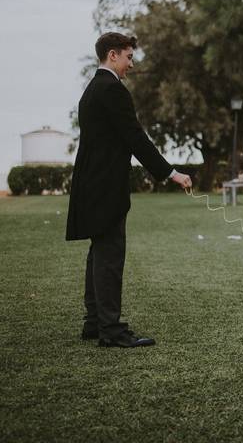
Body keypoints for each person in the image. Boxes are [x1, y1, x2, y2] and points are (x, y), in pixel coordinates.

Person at [65, 32, 192, 347]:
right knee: (109, 254)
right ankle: (110, 330)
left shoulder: (91, 90)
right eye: (129, 56)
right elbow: (135, 138)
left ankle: (94, 323)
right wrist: (171, 173)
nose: (131, 64)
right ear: (112, 55)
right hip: (105, 186)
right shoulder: (112, 90)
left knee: (99, 252)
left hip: (90, 183)